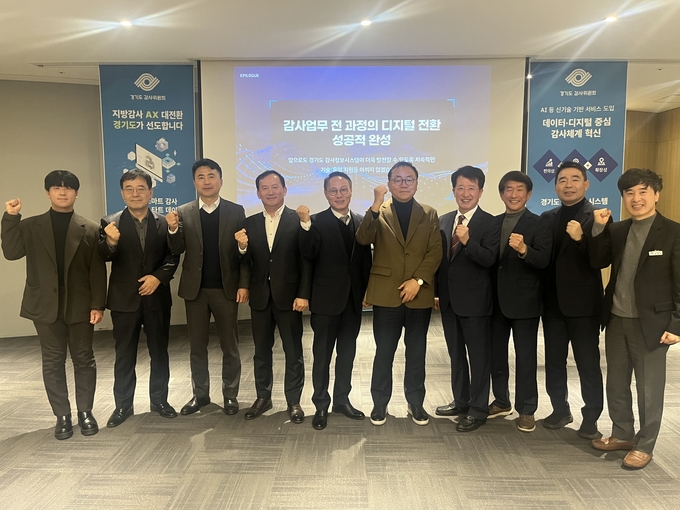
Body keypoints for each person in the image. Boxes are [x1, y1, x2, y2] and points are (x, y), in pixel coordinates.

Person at [1, 170, 106, 440]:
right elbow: (11, 252)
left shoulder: (90, 228)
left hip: (80, 305)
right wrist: (11, 217)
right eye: (56, 188)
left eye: (68, 187)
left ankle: (85, 412)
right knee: (52, 361)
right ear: (47, 193)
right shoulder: (30, 225)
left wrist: (98, 304)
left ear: (76, 193)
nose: (62, 192)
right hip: (44, 304)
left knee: (84, 359)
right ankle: (62, 415)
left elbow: (97, 270)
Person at [589, 169, 680, 469]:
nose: (636, 198)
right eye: (629, 193)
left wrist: (677, 325)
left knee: (648, 390)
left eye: (643, 191)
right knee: (616, 384)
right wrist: (599, 228)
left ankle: (645, 444)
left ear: (656, 194)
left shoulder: (673, 232)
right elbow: (598, 261)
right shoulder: (618, 230)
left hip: (652, 324)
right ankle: (622, 434)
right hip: (617, 319)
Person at [356, 161, 442, 426]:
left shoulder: (429, 213)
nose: (404, 184)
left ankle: (415, 402)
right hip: (386, 294)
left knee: (416, 352)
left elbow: (435, 251)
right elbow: (363, 239)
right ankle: (379, 403)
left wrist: (418, 280)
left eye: (409, 179)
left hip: (419, 294)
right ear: (389, 183)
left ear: (416, 183)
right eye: (398, 179)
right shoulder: (378, 211)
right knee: (384, 352)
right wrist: (375, 204)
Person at [166, 159, 249, 417]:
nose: (206, 181)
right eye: (200, 177)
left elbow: (244, 253)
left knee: (230, 346)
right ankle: (200, 395)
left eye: (211, 176)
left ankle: (230, 395)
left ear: (221, 180)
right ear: (194, 182)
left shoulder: (236, 211)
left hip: (226, 289)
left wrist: (243, 282)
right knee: (197, 347)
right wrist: (172, 230)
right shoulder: (183, 212)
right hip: (196, 291)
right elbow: (176, 248)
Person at [99, 169, 179, 427]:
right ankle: (123, 406)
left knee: (160, 352)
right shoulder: (109, 223)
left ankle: (160, 401)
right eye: (129, 189)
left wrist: (158, 277)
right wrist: (111, 243)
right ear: (122, 194)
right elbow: (102, 256)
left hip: (157, 298)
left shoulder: (164, 223)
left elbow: (173, 255)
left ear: (151, 192)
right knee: (124, 354)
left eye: (141, 188)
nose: (135, 194)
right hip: (124, 300)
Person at [297, 171, 372, 430]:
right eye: (333, 191)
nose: (339, 195)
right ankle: (320, 404)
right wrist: (305, 226)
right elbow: (307, 256)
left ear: (351, 191)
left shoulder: (361, 222)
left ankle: (342, 400)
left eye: (343, 190)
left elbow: (365, 263)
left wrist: (367, 293)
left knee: (347, 355)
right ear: (326, 194)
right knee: (322, 357)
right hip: (325, 302)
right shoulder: (315, 222)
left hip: (353, 302)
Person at [237, 170, 312, 423]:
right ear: (258, 193)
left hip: (289, 298)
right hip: (259, 297)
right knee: (261, 351)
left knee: (293, 351)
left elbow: (306, 260)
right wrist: (242, 248)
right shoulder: (249, 223)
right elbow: (245, 261)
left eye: (275, 186)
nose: (270, 192)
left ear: (284, 190)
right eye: (265, 188)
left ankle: (294, 401)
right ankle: (263, 397)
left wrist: (303, 294)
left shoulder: (297, 220)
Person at [540, 160, 604, 439]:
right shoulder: (548, 217)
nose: (568, 185)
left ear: (586, 184)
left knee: (587, 364)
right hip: (552, 305)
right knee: (554, 362)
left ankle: (591, 418)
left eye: (575, 179)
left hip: (584, 307)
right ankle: (560, 409)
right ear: (555, 186)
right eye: (562, 180)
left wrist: (580, 240)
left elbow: (601, 260)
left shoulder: (598, 217)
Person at [435, 165, 500, 432]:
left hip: (476, 303)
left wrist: (468, 242)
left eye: (471, 188)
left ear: (480, 192)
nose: (465, 193)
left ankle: (478, 408)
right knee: (456, 355)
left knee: (479, 358)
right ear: (453, 190)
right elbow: (440, 262)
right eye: (460, 187)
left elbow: (489, 259)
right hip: (449, 301)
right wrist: (437, 292)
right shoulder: (444, 220)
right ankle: (461, 401)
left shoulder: (491, 222)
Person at [489, 171, 551, 433]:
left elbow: (544, 260)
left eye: (519, 190)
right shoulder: (492, 223)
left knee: (525, 358)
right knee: (496, 356)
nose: (513, 195)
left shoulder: (539, 224)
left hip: (526, 302)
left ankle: (527, 409)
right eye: (508, 190)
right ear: (501, 193)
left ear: (529, 194)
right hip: (494, 302)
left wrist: (525, 250)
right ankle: (501, 401)